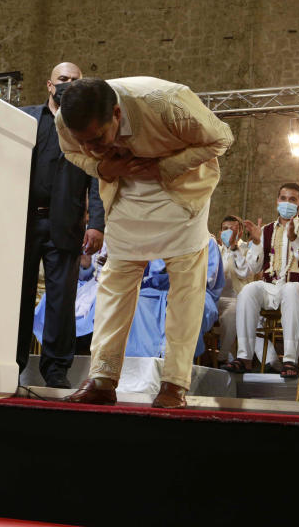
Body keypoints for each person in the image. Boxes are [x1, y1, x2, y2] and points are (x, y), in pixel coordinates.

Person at [56, 76, 234, 408]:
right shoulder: (66, 120)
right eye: (85, 141)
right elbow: (71, 152)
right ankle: (103, 379)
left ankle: (174, 384)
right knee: (115, 281)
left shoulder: (169, 103)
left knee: (186, 286)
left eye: (98, 138)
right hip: (125, 191)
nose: (90, 147)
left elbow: (221, 138)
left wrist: (165, 166)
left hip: (180, 191)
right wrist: (101, 164)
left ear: (117, 114)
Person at [16, 62, 105, 388]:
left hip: (65, 225)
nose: (68, 84)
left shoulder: (85, 128)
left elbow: (97, 177)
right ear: (49, 85)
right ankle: (12, 364)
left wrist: (96, 223)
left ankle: (56, 371)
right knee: (18, 298)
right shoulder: (25, 119)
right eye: (62, 80)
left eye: (75, 81)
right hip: (23, 224)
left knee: (61, 302)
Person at [225, 183, 299, 378]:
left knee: (292, 289)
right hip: (273, 286)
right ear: (277, 201)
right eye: (283, 199)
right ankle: (244, 357)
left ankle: (290, 359)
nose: (287, 203)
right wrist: (257, 242)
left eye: (292, 199)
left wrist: (294, 239)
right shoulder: (267, 229)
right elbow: (253, 269)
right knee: (249, 290)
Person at [124, 235, 224, 360]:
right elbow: (149, 278)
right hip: (158, 292)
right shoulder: (159, 241)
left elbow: (206, 279)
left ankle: (176, 363)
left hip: (194, 291)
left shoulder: (206, 240)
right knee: (137, 301)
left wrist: (177, 272)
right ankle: (142, 360)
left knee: (185, 303)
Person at [215, 216, 254, 364]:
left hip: (236, 298)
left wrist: (234, 248)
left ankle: (223, 357)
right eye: (225, 229)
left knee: (231, 314)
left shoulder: (247, 249)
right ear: (220, 232)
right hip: (214, 298)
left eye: (233, 229)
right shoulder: (216, 250)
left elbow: (245, 273)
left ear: (241, 232)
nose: (228, 232)